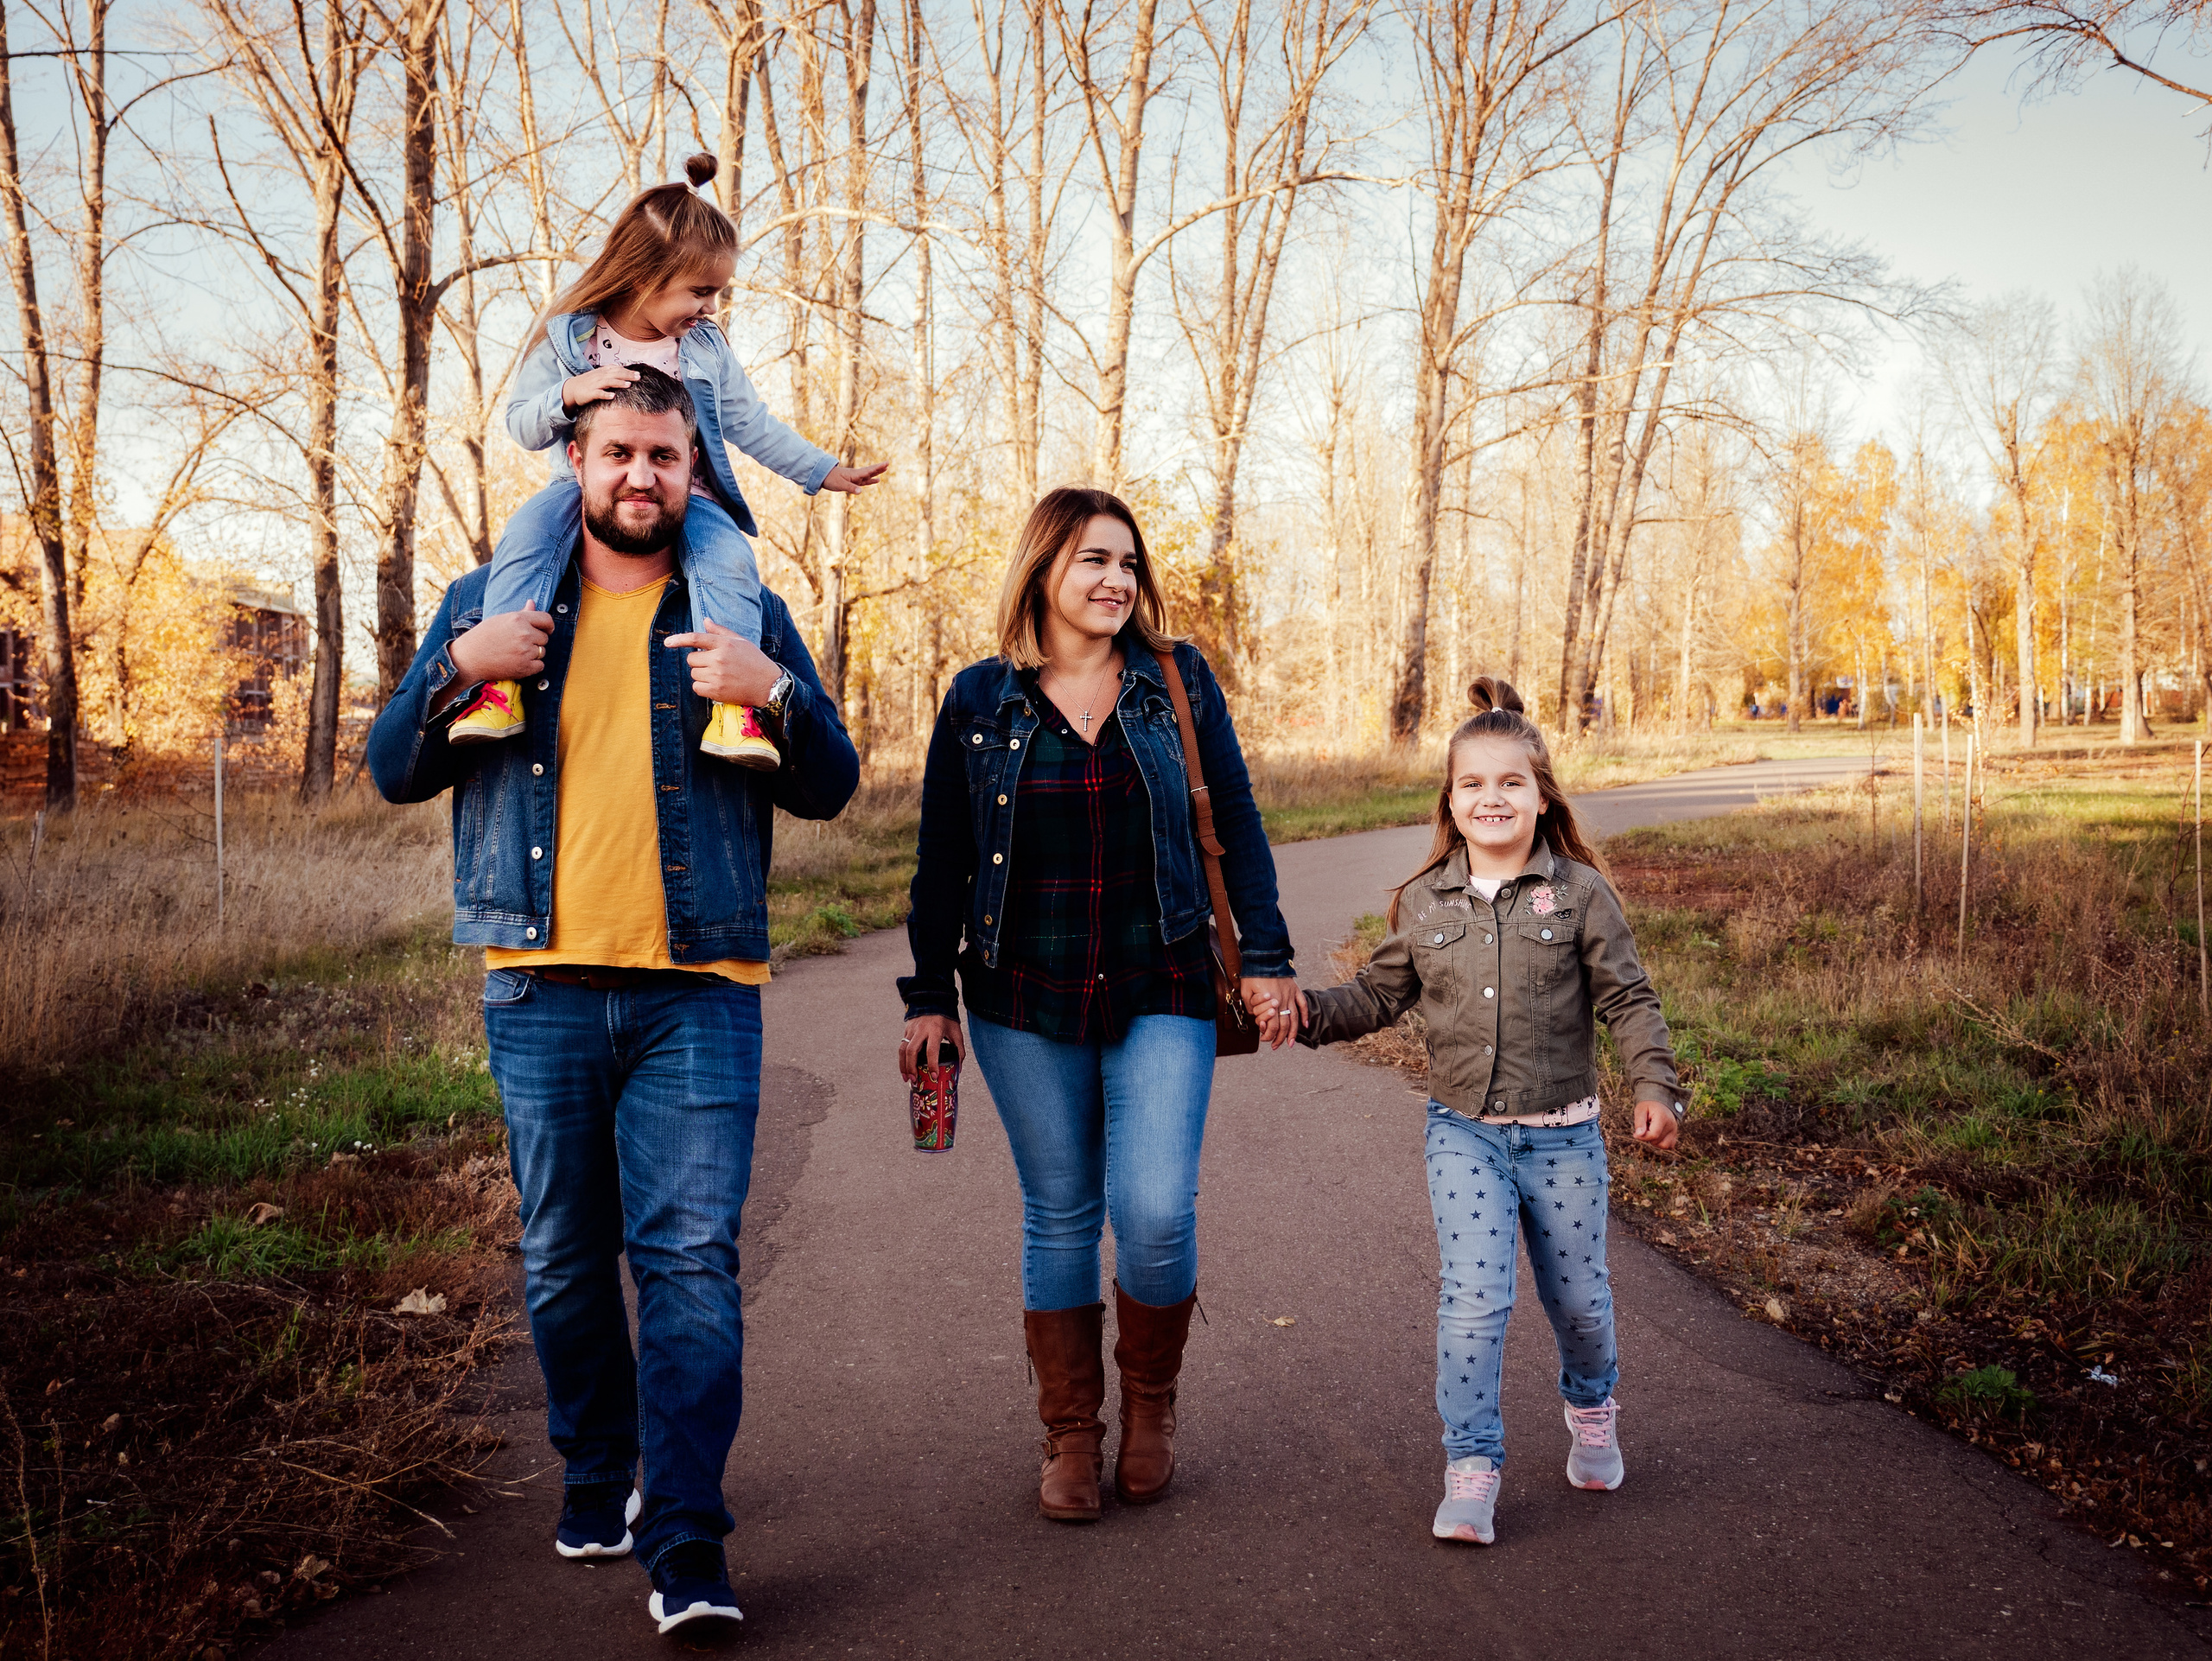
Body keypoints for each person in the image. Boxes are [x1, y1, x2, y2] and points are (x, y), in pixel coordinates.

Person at [367, 366, 859, 1634]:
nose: (642, 474)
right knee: (562, 1256)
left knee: (689, 1259)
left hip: (699, 985)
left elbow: (831, 784)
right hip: (537, 983)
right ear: (574, 464)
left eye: (666, 456)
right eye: (619, 453)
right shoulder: (495, 603)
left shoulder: (739, 609)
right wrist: (455, 669)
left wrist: (777, 694)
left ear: (696, 473)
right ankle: (597, 1472)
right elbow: (391, 771)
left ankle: (688, 1541)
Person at [895, 486, 1303, 1524]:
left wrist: (1265, 953)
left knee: (1156, 1209)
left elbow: (1238, 821)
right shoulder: (978, 698)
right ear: (1041, 569)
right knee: (1062, 1210)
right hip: (1016, 988)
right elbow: (942, 856)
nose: (1116, 579)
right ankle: (1071, 1429)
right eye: (1092, 560)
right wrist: (926, 995)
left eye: (1127, 561)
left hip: (1160, 974)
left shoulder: (1178, 680)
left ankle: (1151, 1405)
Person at [1297, 677, 1686, 1547]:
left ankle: (1591, 1412)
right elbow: (1375, 994)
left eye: (1510, 781)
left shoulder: (1581, 892)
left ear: (1542, 794)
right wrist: (1303, 1012)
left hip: (1564, 1137)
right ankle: (1471, 1470)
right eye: (1471, 783)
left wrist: (1654, 1086)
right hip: (1463, 1132)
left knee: (1579, 1302)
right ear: (1450, 799)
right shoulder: (1427, 900)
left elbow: (1627, 995)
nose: (1491, 796)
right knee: (1474, 1301)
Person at [450, 151, 884, 767]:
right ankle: (497, 689)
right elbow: (521, 424)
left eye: (717, 294)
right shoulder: (571, 340)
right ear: (645, 276)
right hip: (583, 497)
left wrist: (821, 470)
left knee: (730, 559)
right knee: (525, 536)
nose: (710, 308)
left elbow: (750, 424)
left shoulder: (703, 349)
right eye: (701, 291)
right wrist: (566, 394)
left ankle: (737, 713)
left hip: (691, 499)